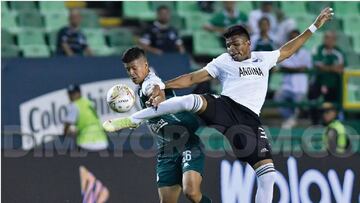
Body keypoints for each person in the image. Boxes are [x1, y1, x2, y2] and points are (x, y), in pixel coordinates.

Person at [104, 8, 334, 203]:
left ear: (248, 43)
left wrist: (314, 26)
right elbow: (194, 78)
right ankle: (131, 120)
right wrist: (162, 86)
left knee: (268, 175)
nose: (231, 49)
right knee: (194, 100)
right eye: (228, 45)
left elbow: (289, 50)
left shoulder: (264, 59)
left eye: (235, 44)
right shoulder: (223, 61)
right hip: (225, 106)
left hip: (249, 121)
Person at [120, 47, 211, 203]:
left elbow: (156, 91)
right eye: (128, 69)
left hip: (186, 142)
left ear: (146, 66)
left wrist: (156, 99)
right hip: (166, 151)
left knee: (191, 192)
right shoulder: (139, 88)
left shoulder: (152, 82)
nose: (131, 73)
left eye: (134, 68)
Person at [274, 30, 312, 128]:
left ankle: (292, 120)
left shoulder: (305, 53)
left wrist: (294, 69)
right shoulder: (285, 52)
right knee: (278, 98)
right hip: (287, 85)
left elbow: (307, 67)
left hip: (300, 87)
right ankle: (291, 118)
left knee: (299, 103)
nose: (294, 40)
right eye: (292, 38)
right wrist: (298, 68)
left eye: (296, 37)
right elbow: (284, 66)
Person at [308, 31, 346, 124]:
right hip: (319, 81)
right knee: (315, 103)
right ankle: (315, 123)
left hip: (334, 84)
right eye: (326, 37)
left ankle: (334, 122)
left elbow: (341, 68)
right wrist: (333, 68)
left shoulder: (339, 52)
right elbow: (318, 65)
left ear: (334, 40)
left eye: (330, 38)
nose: (327, 40)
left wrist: (326, 68)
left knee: (333, 105)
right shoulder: (318, 49)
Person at [63, 84, 109, 151]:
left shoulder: (74, 106)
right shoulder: (89, 103)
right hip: (102, 143)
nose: (71, 96)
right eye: (70, 94)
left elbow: (68, 124)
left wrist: (65, 133)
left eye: (73, 93)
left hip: (86, 143)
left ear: (79, 93)